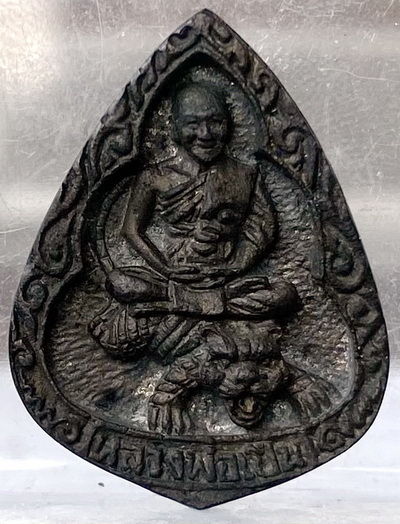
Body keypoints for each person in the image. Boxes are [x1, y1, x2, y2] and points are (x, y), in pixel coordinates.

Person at [89, 82, 332, 434]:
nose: (205, 134)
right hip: (171, 279)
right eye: (193, 124)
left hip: (227, 279)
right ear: (175, 127)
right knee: (121, 283)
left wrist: (235, 264)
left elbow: (263, 228)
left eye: (215, 122)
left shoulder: (245, 173)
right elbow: (131, 231)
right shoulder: (156, 176)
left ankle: (196, 308)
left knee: (285, 294)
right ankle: (204, 307)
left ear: (228, 124)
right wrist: (168, 269)